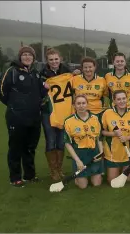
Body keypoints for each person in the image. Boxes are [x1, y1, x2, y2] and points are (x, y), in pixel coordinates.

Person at [0, 46, 45, 187]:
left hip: (34, 117)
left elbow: (42, 92)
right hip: (16, 117)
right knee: (15, 147)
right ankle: (15, 177)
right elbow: (0, 91)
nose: (27, 57)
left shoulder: (35, 73)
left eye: (30, 55)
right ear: (20, 57)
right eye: (24, 55)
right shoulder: (11, 71)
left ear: (34, 58)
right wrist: (13, 105)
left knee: (30, 148)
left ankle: (29, 175)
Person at [40, 48, 78, 181]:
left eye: (56, 59)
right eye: (51, 59)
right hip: (49, 112)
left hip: (64, 112)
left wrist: (76, 74)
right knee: (51, 140)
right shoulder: (42, 74)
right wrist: (42, 87)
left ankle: (59, 168)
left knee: (61, 141)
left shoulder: (68, 72)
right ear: (47, 61)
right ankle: (53, 170)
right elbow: (38, 92)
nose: (54, 62)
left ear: (60, 59)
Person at [64, 95, 104, 189]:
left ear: (87, 105)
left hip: (94, 153)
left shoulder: (95, 118)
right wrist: (78, 161)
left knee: (96, 184)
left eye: (83, 103)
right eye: (78, 103)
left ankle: (96, 174)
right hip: (80, 154)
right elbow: (67, 143)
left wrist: (101, 153)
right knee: (83, 186)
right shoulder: (68, 121)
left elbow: (99, 138)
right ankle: (78, 178)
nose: (81, 106)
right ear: (74, 105)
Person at [100, 90, 130, 183]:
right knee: (112, 181)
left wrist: (128, 138)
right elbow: (101, 132)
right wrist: (113, 134)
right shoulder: (107, 113)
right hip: (112, 154)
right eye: (119, 99)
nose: (122, 101)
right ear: (114, 101)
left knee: (128, 181)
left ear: (127, 99)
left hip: (128, 153)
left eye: (124, 98)